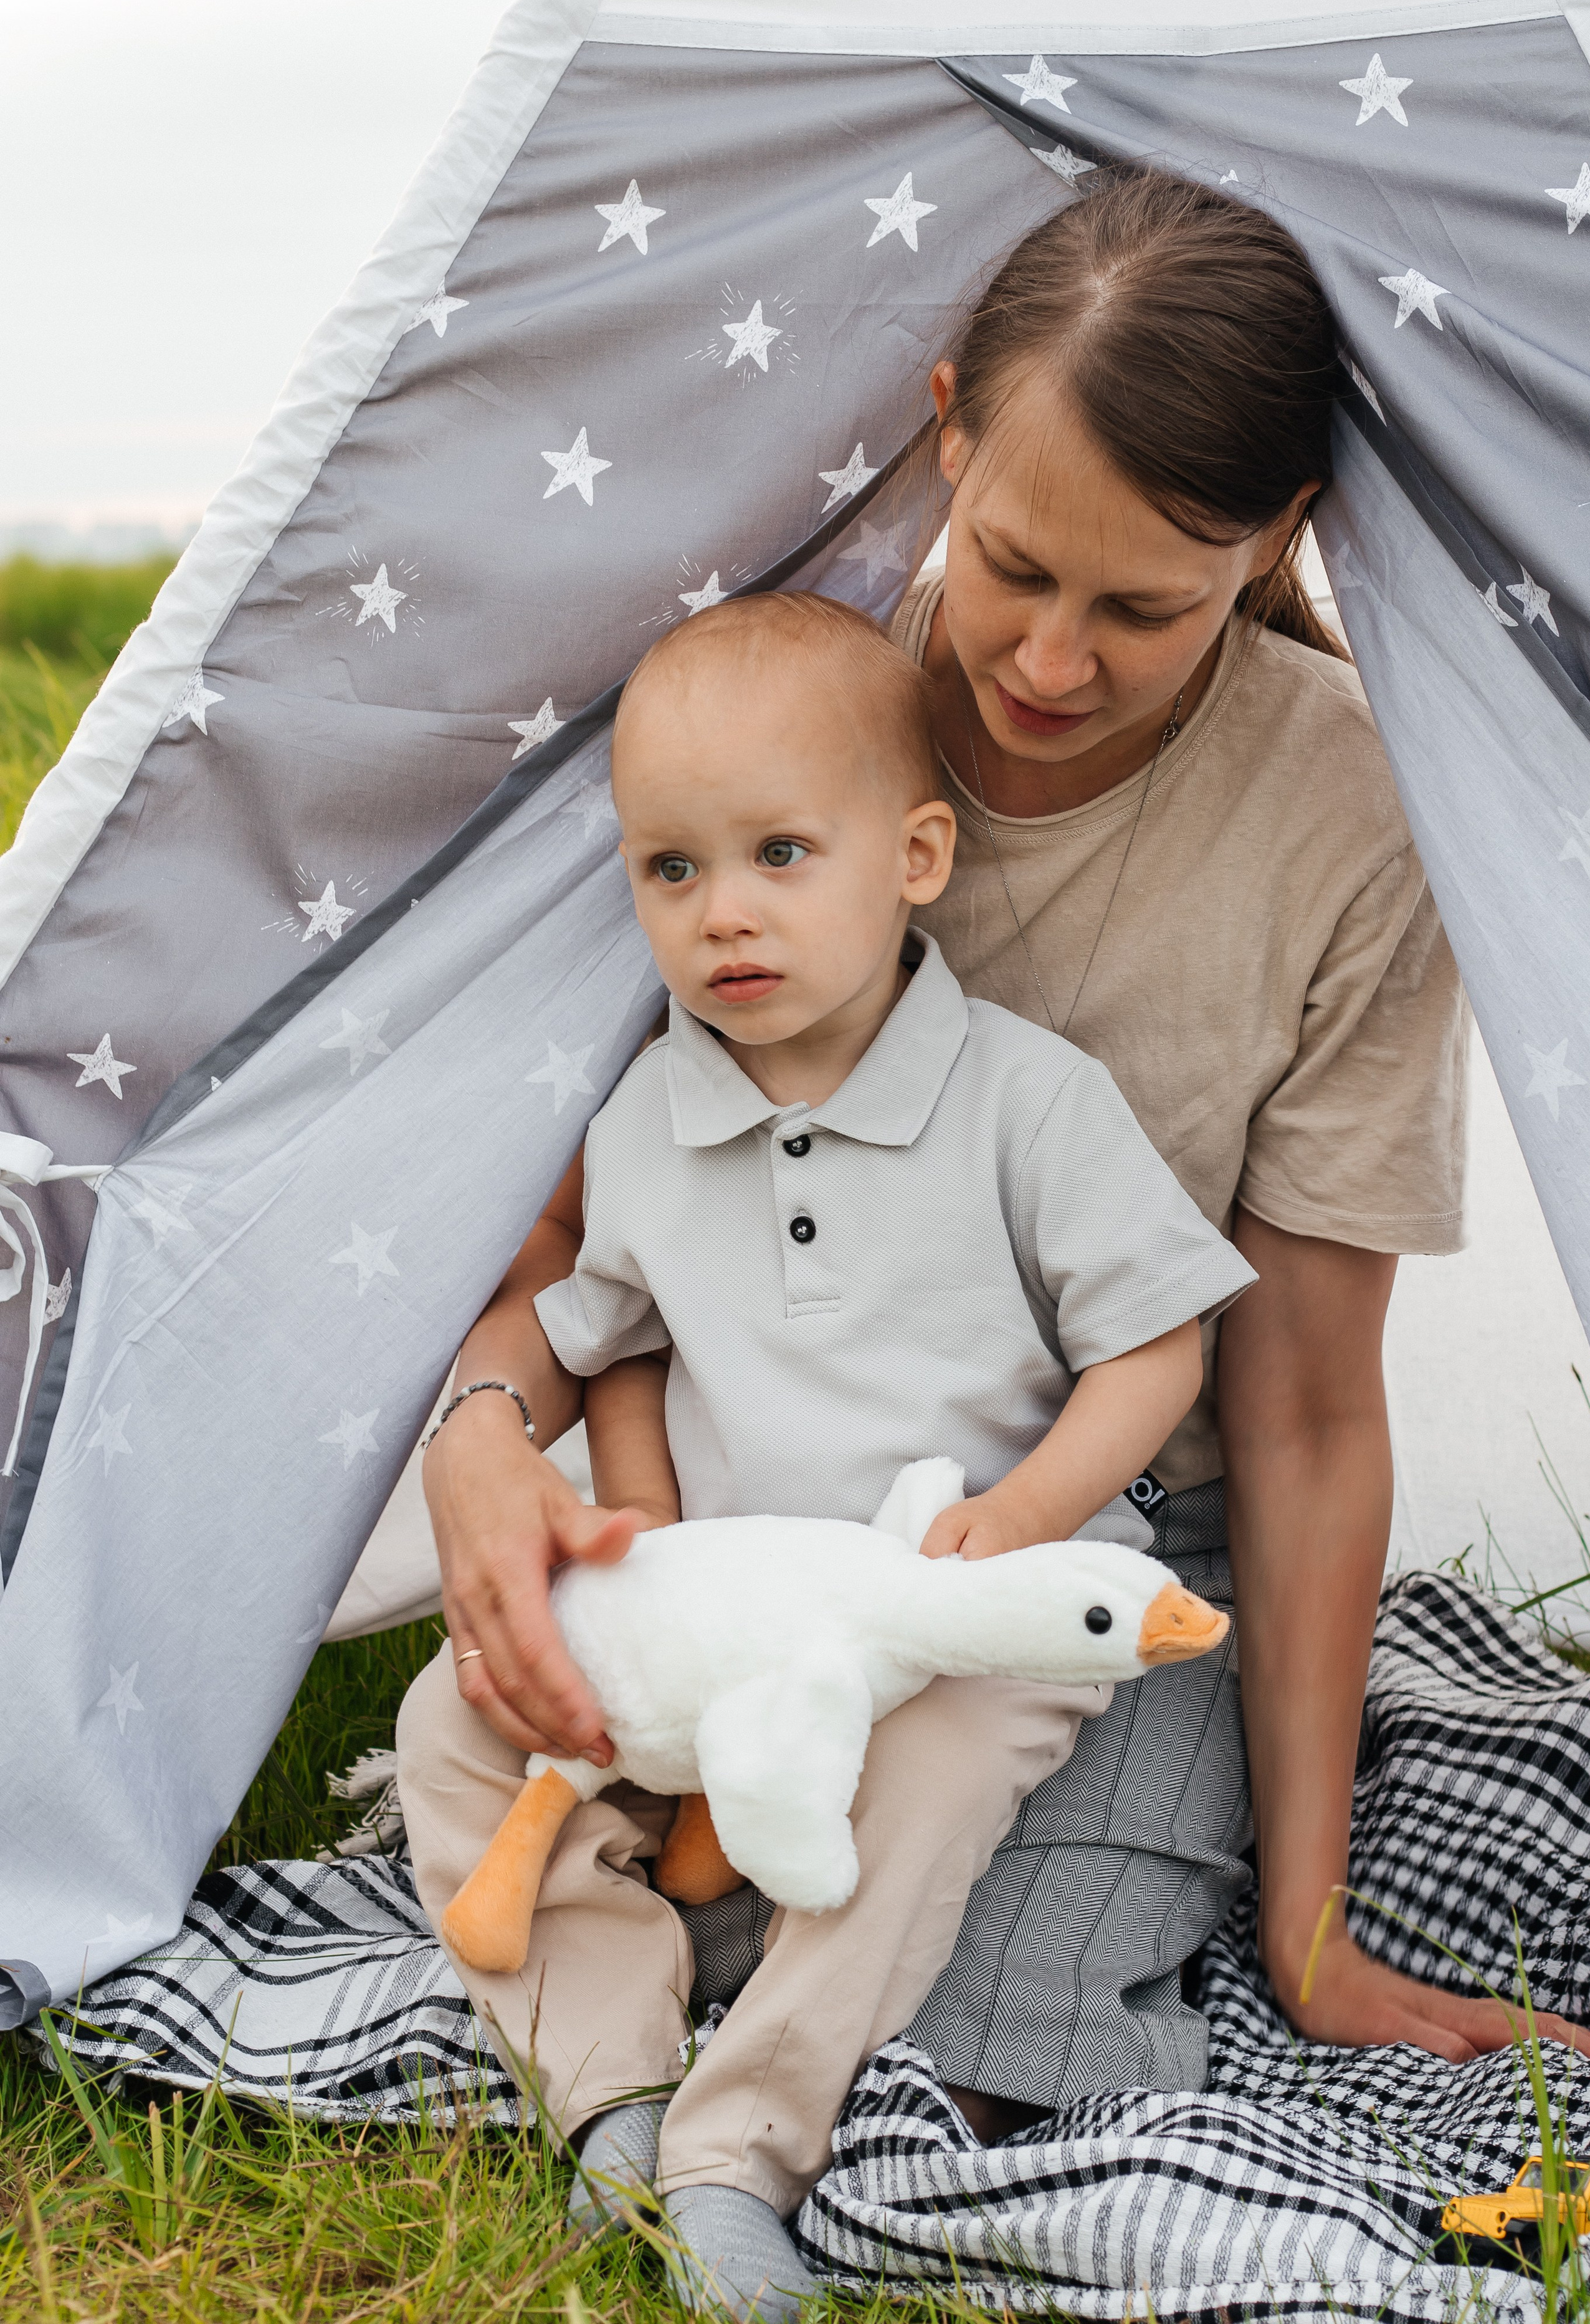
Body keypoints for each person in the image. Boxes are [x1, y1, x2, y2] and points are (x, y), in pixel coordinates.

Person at [415, 168, 1590, 2173]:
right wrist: (474, 1445)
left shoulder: (1354, 820)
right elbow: (567, 1226)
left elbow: (1299, 1408)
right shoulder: (762, 725)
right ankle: (645, 2076)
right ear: (950, 424)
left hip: (1080, 1564)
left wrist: (1305, 1930)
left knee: (987, 2059)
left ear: (1277, 537)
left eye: (1145, 606)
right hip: (725, 1520)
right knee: (635, 1866)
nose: (1050, 662)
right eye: (1018, 568)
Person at [397, 589, 1255, 2318]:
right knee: (453, 1721)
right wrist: (585, 1487)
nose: (727, 916)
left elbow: (1160, 1333)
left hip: (955, 1608)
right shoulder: (646, 1119)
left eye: (783, 854)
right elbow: (600, 1335)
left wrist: (1027, 1515)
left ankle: (743, 2151)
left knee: (923, 1788)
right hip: (726, 1617)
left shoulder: (1028, 1099)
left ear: (916, 857)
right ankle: (613, 2093)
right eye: (674, 871)